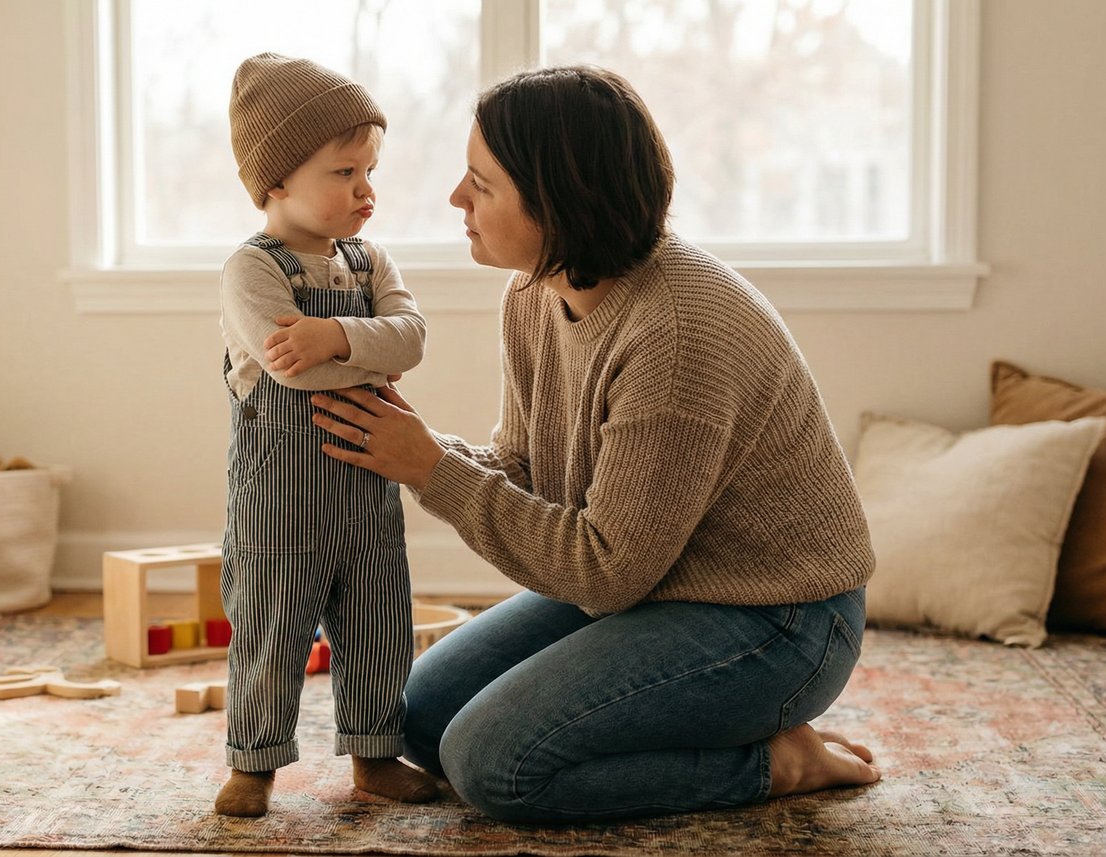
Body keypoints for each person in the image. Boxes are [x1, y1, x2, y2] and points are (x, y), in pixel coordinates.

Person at [307, 65, 883, 823]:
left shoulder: (677, 333)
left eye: (481, 184)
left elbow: (605, 570)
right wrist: (408, 444)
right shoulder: (534, 292)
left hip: (777, 618)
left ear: (556, 204)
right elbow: (527, 472)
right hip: (654, 579)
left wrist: (432, 467)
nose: (457, 199)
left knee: (493, 765)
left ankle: (773, 760)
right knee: (413, 717)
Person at [215, 52, 436, 818]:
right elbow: (291, 372)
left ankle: (375, 755)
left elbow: (410, 338)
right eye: (346, 172)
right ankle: (255, 760)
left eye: (370, 171)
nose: (367, 191)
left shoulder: (369, 259)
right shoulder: (252, 271)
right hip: (281, 505)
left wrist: (336, 337)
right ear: (276, 180)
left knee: (379, 625)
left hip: (369, 494)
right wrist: (360, 345)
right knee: (271, 633)